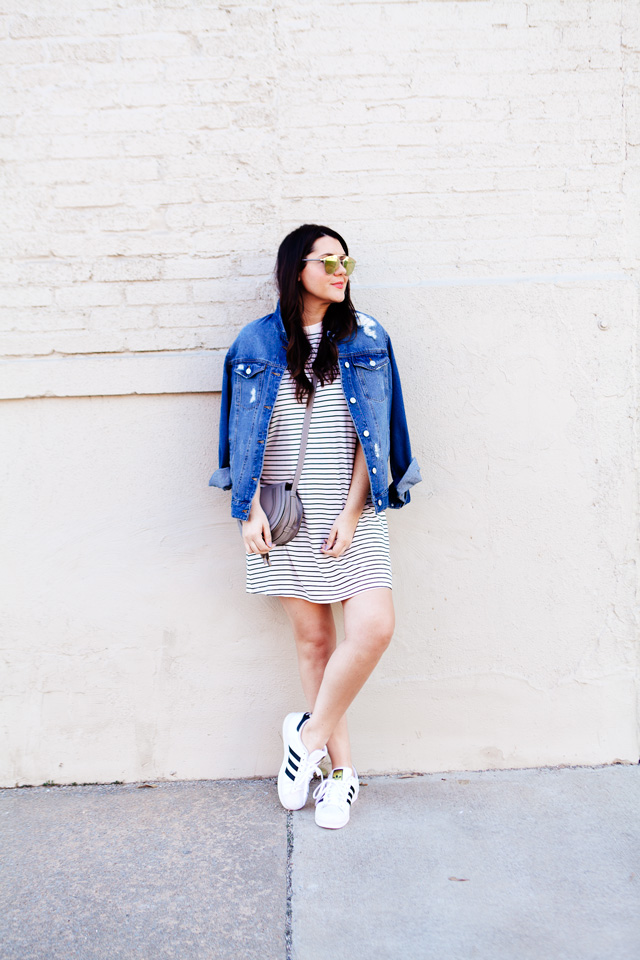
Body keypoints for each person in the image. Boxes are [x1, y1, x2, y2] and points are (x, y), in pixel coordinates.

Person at [210, 224, 421, 829]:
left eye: (345, 259)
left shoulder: (367, 337)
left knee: (374, 628)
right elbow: (237, 438)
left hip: (350, 511)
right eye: (326, 259)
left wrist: (354, 513)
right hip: (283, 513)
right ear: (294, 268)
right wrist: (246, 511)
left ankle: (304, 741)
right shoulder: (254, 343)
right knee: (316, 645)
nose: (339, 269)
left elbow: (373, 434)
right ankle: (339, 775)